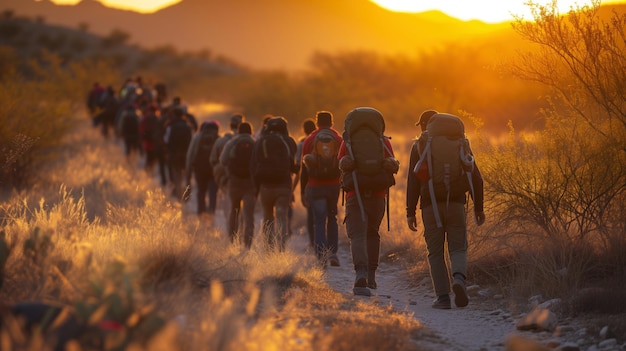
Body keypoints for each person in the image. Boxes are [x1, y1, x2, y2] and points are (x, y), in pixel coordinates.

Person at [406, 109, 485, 309]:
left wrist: (410, 211)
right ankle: (458, 278)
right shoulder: (461, 143)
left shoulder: (419, 146)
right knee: (458, 247)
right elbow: (475, 177)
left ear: (426, 126)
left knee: (435, 252)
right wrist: (478, 208)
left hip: (430, 205)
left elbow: (412, 182)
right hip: (457, 204)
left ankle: (442, 298)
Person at [338, 107, 399, 296]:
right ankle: (372, 276)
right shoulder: (384, 142)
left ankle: (361, 274)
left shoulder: (347, 142)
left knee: (357, 235)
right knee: (372, 233)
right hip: (379, 195)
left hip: (355, 194)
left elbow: (341, 164)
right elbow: (392, 165)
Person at [251, 116, 298, 252]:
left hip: (266, 186)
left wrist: (256, 189)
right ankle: (281, 248)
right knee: (282, 215)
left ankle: (268, 249)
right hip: (284, 185)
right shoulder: (289, 141)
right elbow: (292, 165)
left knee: (267, 217)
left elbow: (254, 166)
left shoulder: (260, 142)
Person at [301, 111, 342, 266]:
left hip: (315, 185)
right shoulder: (338, 139)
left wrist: (303, 189)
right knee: (332, 218)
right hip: (333, 185)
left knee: (318, 221)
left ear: (317, 122)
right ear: (332, 122)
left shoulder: (310, 139)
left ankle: (321, 256)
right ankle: (333, 254)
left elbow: (304, 168)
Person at [220, 122, 257, 248]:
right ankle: (247, 244)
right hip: (250, 183)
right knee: (249, 215)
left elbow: (223, 159)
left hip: (234, 182)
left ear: (239, 130)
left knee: (234, 211)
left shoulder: (232, 142)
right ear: (250, 131)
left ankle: (232, 241)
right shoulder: (255, 142)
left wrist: (230, 171)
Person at [186, 121, 220, 215]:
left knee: (201, 192)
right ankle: (211, 212)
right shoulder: (218, 137)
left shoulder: (197, 137)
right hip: (213, 169)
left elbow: (190, 154)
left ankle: (201, 213)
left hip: (199, 169)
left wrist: (188, 171)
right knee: (213, 193)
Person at [294, 118, 316, 248]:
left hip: (310, 183)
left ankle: (313, 242)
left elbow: (299, 169)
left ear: (304, 129)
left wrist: (298, 189)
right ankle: (327, 243)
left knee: (311, 214)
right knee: (328, 215)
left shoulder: (302, 143)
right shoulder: (328, 139)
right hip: (330, 182)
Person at [164, 106, 192, 200]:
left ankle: (179, 194)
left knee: (177, 175)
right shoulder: (188, 126)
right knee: (186, 175)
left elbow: (166, 140)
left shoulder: (170, 126)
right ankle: (186, 194)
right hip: (185, 154)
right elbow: (190, 141)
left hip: (174, 154)